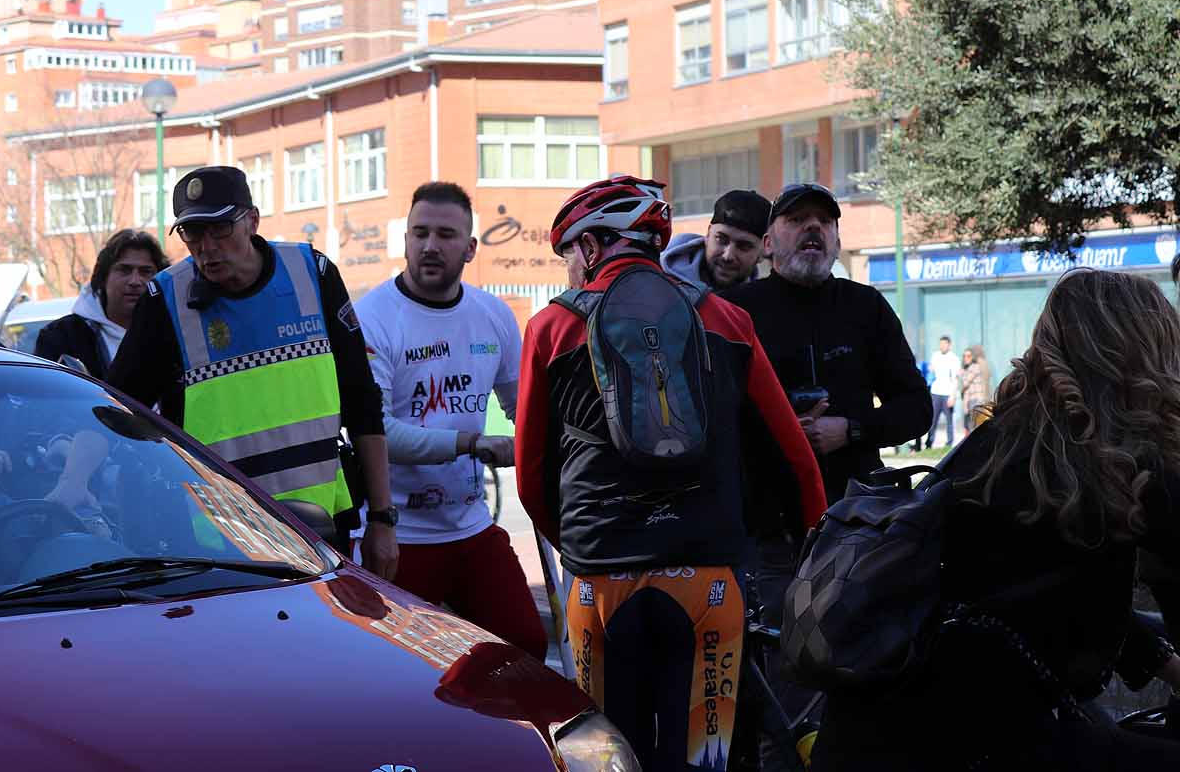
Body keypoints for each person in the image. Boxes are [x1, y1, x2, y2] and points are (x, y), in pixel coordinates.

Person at [516, 176, 827, 771]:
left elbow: (531, 478)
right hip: (708, 579)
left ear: (589, 248)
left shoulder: (550, 329)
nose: (569, 273)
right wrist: (810, 540)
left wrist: (582, 547)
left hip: (600, 584)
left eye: (568, 257)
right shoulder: (729, 320)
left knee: (608, 758)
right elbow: (795, 457)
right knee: (702, 762)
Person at [812, 270, 1180, 771]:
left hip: (882, 726)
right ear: (1148, 351)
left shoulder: (995, 442)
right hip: (974, 733)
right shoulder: (1124, 461)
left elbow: (1043, 593)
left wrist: (1158, 658)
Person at [107, 165, 399, 580]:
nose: (207, 247)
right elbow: (118, 410)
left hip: (320, 531)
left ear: (253, 220)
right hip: (218, 542)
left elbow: (362, 400)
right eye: (192, 233)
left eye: (221, 228)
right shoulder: (165, 300)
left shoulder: (311, 274)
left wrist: (383, 519)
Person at [354, 182, 545, 659]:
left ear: (471, 248)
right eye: (419, 233)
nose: (430, 246)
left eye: (445, 234)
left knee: (524, 648)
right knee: (396, 672)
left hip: (470, 526)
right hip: (396, 533)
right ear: (405, 241)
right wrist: (472, 443)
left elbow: (525, 407)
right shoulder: (373, 317)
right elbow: (378, 432)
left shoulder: (493, 314)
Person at [724, 184, 930, 503]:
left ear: (837, 243)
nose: (813, 227)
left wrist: (850, 429)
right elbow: (711, 420)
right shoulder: (734, 312)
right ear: (767, 243)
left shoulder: (866, 306)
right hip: (762, 520)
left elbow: (917, 409)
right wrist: (781, 431)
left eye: (825, 221)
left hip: (853, 515)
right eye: (796, 219)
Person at [35, 230, 168, 379]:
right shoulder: (62, 337)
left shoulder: (175, 333)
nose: (135, 281)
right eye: (124, 270)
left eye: (145, 272)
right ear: (104, 278)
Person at [661, 189, 771, 292]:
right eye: (721, 240)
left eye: (744, 246)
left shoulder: (760, 307)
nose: (728, 256)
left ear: (763, 252)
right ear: (708, 234)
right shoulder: (659, 281)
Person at [926, 335, 962, 449]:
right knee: (932, 419)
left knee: (949, 420)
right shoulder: (935, 356)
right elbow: (931, 371)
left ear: (949, 345)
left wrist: (953, 396)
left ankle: (949, 443)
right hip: (935, 392)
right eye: (940, 344)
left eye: (944, 344)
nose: (942, 346)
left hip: (947, 393)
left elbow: (955, 379)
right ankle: (929, 443)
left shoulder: (954, 359)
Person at [958, 344, 990, 432]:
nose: (966, 358)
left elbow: (965, 383)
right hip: (970, 399)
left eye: (968, 356)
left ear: (973, 357)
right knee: (969, 425)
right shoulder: (966, 369)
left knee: (975, 426)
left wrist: (960, 374)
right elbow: (966, 389)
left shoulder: (975, 367)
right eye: (964, 356)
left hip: (977, 399)